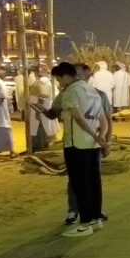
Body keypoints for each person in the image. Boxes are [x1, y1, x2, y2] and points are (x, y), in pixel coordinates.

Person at [52, 62, 108, 237]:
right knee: (94, 182)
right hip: (94, 144)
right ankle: (95, 218)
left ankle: (85, 223)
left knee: (80, 183)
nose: (59, 83)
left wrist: (93, 134)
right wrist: (101, 137)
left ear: (66, 76)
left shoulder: (70, 91)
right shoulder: (92, 91)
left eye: (59, 79)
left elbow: (78, 118)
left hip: (77, 143)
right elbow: (103, 119)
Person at [26, 71, 60, 152]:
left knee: (41, 129)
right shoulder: (45, 81)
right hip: (43, 109)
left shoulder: (43, 81)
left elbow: (42, 95)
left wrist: (38, 111)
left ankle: (41, 149)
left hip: (41, 110)